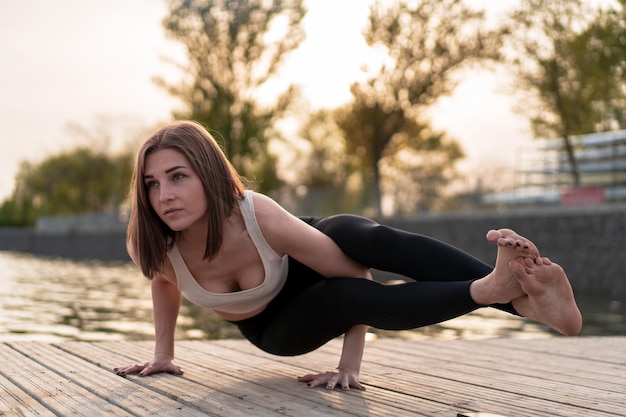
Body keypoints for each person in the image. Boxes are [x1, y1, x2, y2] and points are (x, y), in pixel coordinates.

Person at [114, 120, 582, 391]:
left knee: (359, 234)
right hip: (277, 326)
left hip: (306, 250)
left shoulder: (257, 214)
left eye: (178, 177)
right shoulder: (151, 241)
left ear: (209, 174)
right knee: (338, 298)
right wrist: (163, 353)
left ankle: (517, 296)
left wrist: (349, 365)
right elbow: (163, 282)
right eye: (152, 184)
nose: (164, 196)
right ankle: (497, 292)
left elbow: (357, 273)